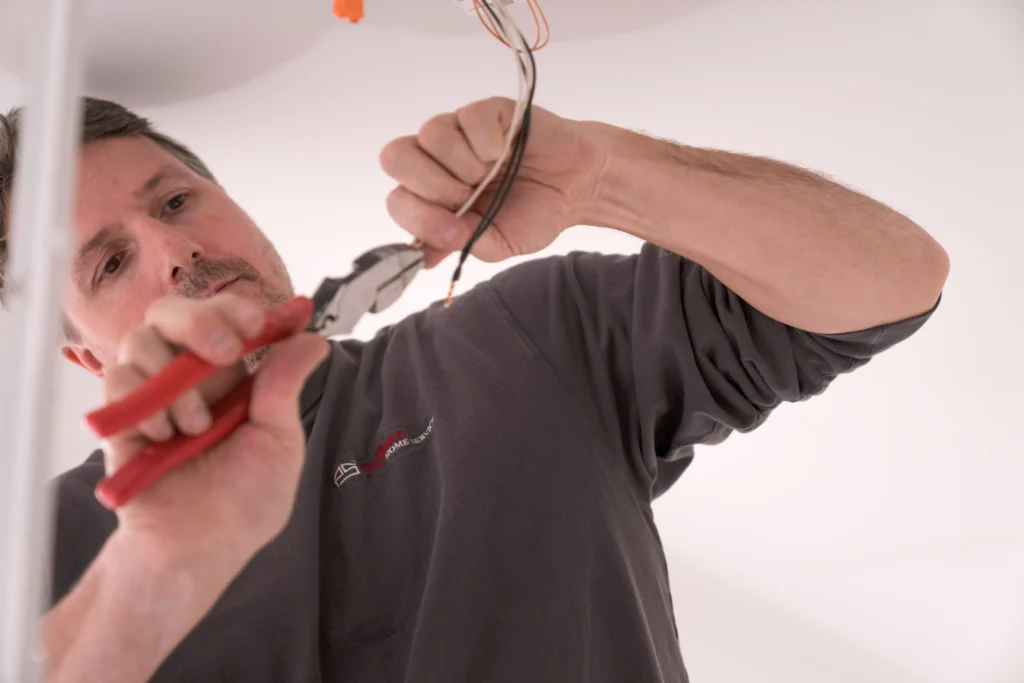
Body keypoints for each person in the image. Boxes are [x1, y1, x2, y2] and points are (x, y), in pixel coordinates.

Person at [0, 95, 949, 683]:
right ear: (82, 357)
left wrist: (605, 178)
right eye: (109, 261)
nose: (178, 253)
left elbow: (890, 281)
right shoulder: (33, 553)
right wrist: (147, 580)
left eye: (174, 202)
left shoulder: (527, 336)